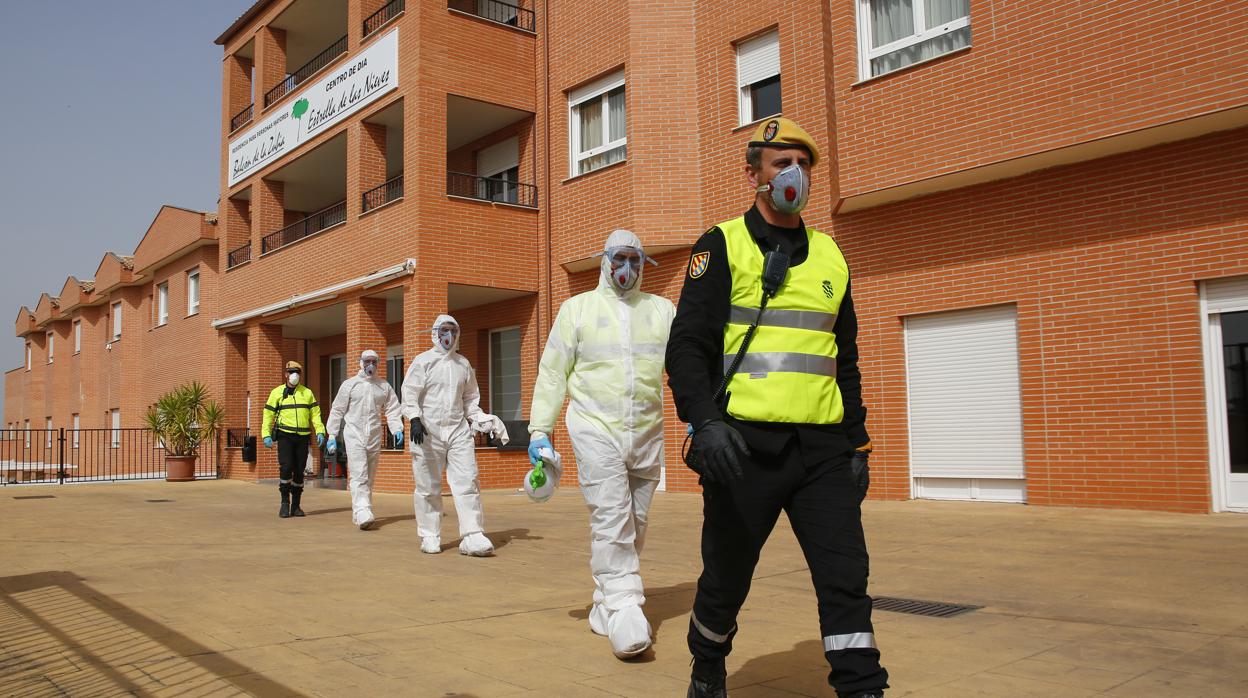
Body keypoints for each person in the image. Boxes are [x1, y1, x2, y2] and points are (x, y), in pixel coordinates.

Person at [666, 117, 889, 698]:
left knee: (846, 579)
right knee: (726, 580)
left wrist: (858, 444)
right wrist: (705, 421)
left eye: (804, 163)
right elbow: (687, 346)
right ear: (754, 175)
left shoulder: (831, 257)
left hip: (822, 454)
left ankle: (862, 687)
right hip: (743, 451)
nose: (795, 173)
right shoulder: (722, 245)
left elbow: (845, 360)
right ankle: (707, 666)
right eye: (781, 162)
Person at [528, 229, 675, 659]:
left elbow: (685, 367)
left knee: (636, 524)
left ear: (644, 264)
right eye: (619, 259)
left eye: (635, 260)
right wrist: (541, 430)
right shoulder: (577, 310)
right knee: (612, 518)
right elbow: (553, 373)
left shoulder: (663, 310)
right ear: (604, 261)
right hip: (594, 426)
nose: (626, 269)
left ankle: (604, 606)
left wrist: (703, 418)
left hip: (646, 432)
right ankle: (628, 611)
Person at [402, 314, 506, 556]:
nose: (448, 336)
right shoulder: (423, 362)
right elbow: (409, 394)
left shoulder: (463, 364)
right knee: (428, 485)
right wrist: (415, 419)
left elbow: (470, 399)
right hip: (428, 432)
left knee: (468, 481)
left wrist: (480, 419)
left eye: (452, 331)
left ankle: (472, 535)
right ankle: (429, 534)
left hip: (458, 431)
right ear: (435, 333)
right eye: (443, 331)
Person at [325, 349, 404, 530]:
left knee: (369, 475)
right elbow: (337, 409)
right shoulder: (350, 385)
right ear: (360, 362)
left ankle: (360, 512)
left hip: (374, 436)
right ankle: (363, 510)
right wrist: (332, 434)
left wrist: (396, 428)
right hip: (354, 434)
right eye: (367, 361)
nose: (371, 365)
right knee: (359, 473)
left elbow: (392, 408)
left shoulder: (383, 386)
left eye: (374, 362)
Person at [260, 360, 327, 518]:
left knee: (299, 470)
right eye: (291, 372)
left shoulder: (307, 393)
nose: (294, 375)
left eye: (297, 372)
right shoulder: (277, 393)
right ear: (285, 374)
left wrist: (320, 431)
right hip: (285, 436)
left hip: (303, 437)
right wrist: (266, 435)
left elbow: (315, 415)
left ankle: (296, 506)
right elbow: (268, 415)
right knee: (286, 467)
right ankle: (285, 503)